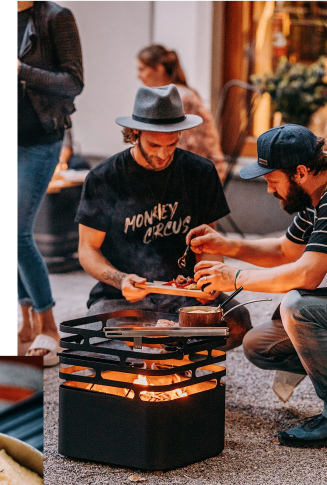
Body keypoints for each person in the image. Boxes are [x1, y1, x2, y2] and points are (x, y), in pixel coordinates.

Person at [189, 124, 327, 447]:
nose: (268, 190)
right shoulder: (320, 193)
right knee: (260, 344)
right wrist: (228, 245)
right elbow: (284, 251)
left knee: (298, 307)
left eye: (271, 179)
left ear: (301, 172)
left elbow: (306, 275)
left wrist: (234, 277)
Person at [75, 85, 252, 349]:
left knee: (238, 324)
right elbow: (87, 250)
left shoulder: (200, 172)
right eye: (154, 144)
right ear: (134, 133)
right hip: (124, 297)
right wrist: (120, 279)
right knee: (102, 337)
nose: (162, 154)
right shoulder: (104, 178)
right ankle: (170, 350)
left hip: (183, 294)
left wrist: (209, 279)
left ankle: (165, 349)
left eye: (172, 143)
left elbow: (209, 244)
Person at [17, 0, 83, 366]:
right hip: (1, 142)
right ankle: (26, 324)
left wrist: (20, 70)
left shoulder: (56, 17)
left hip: (40, 140)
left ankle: (49, 324)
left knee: (17, 233)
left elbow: (73, 82)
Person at [136, 45, 227, 181]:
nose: (138, 75)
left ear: (159, 69)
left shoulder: (179, 99)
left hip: (199, 175)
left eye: (142, 69)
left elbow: (179, 149)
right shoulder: (179, 95)